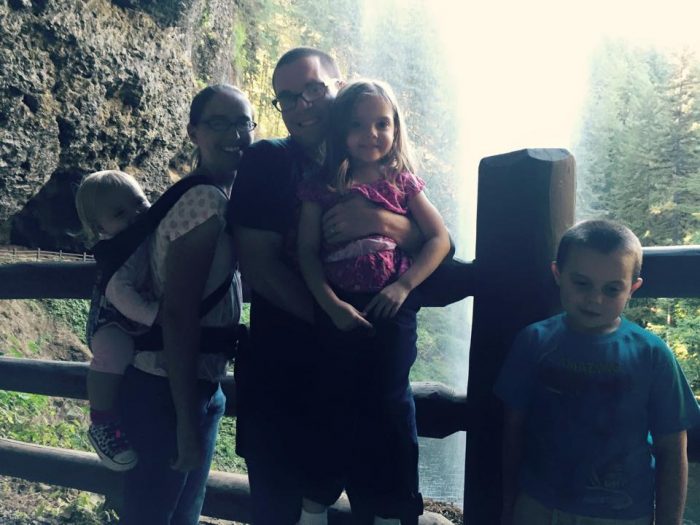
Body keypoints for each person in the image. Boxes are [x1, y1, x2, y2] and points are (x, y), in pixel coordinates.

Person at [229, 48, 425, 525]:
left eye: (314, 89)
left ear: (339, 87)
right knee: (285, 509)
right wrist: (340, 320)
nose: (302, 105)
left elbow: (438, 241)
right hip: (287, 378)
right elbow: (259, 265)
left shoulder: (381, 168)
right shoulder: (268, 161)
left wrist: (384, 222)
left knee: (382, 501)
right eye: (287, 98)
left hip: (362, 379)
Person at [296, 79, 450, 525]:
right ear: (340, 130)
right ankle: (315, 504)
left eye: (382, 123)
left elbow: (440, 239)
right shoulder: (323, 185)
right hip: (337, 308)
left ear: (396, 128)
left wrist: (404, 287)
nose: (372, 134)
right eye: (358, 124)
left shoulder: (402, 183)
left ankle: (392, 507)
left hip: (390, 310)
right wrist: (330, 304)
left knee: (390, 403)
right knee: (330, 401)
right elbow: (307, 252)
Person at [494, 219, 700, 525]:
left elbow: (672, 448)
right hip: (538, 506)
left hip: (624, 515)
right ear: (558, 275)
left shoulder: (652, 355)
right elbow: (513, 430)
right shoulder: (533, 342)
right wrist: (509, 503)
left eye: (612, 289)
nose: (595, 299)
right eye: (582, 283)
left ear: (632, 289)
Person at [118, 83, 255, 525]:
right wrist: (184, 420)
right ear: (194, 132)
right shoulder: (205, 201)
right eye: (219, 123)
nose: (234, 135)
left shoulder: (215, 195)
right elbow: (177, 314)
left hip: (191, 385)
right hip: (170, 390)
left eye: (243, 123)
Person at [75, 169, 155, 472]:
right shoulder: (119, 250)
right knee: (113, 354)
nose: (135, 214)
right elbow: (118, 290)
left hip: (136, 319)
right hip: (111, 321)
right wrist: (155, 315)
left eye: (139, 202)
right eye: (120, 213)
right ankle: (102, 422)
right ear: (100, 228)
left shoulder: (144, 233)